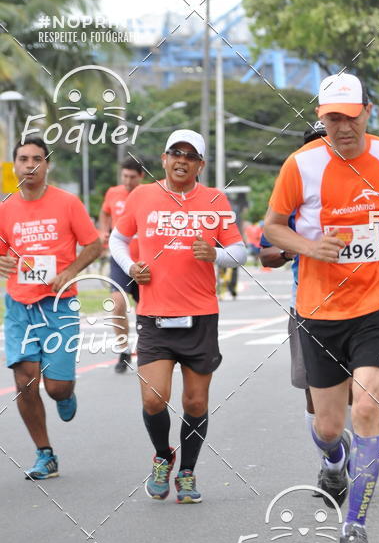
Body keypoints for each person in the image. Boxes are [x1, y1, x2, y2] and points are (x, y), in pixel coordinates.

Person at [264, 73, 379, 543]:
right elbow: (273, 227)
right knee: (331, 427)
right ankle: (333, 463)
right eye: (331, 118)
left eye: (349, 116)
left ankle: (354, 528)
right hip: (319, 310)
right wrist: (310, 247)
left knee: (366, 410)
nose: (341, 127)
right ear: (322, 119)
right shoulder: (301, 166)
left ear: (367, 112)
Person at [109, 130, 246, 504]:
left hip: (200, 316)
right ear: (164, 158)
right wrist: (131, 267)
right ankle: (162, 455)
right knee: (154, 400)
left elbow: (240, 250)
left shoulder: (215, 200)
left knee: (195, 403)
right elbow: (116, 240)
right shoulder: (142, 196)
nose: (181, 160)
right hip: (154, 315)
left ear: (201, 164)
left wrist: (215, 254)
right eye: (175, 153)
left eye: (190, 155)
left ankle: (186, 472)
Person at [0, 137, 102, 480]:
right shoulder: (6, 207)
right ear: (15, 164)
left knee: (56, 387)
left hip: (58, 305)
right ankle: (45, 453)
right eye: (24, 159)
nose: (30, 165)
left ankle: (64, 393)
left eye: (37, 159)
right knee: (25, 380)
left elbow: (94, 243)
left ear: (47, 165)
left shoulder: (67, 203)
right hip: (19, 305)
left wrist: (70, 271)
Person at [259, 121, 350, 494]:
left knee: (358, 394)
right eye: (313, 146)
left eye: (326, 144)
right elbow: (265, 254)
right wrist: (290, 248)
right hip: (309, 307)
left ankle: (351, 463)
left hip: (362, 305)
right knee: (316, 397)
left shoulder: (359, 188)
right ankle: (332, 461)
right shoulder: (291, 194)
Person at [98, 158, 144, 372]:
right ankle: (123, 349)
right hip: (119, 259)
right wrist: (104, 230)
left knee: (147, 310)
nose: (127, 181)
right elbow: (105, 212)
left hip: (144, 260)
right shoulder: (113, 193)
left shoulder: (148, 195)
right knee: (117, 304)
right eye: (124, 176)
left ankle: (150, 347)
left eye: (132, 177)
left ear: (141, 177)